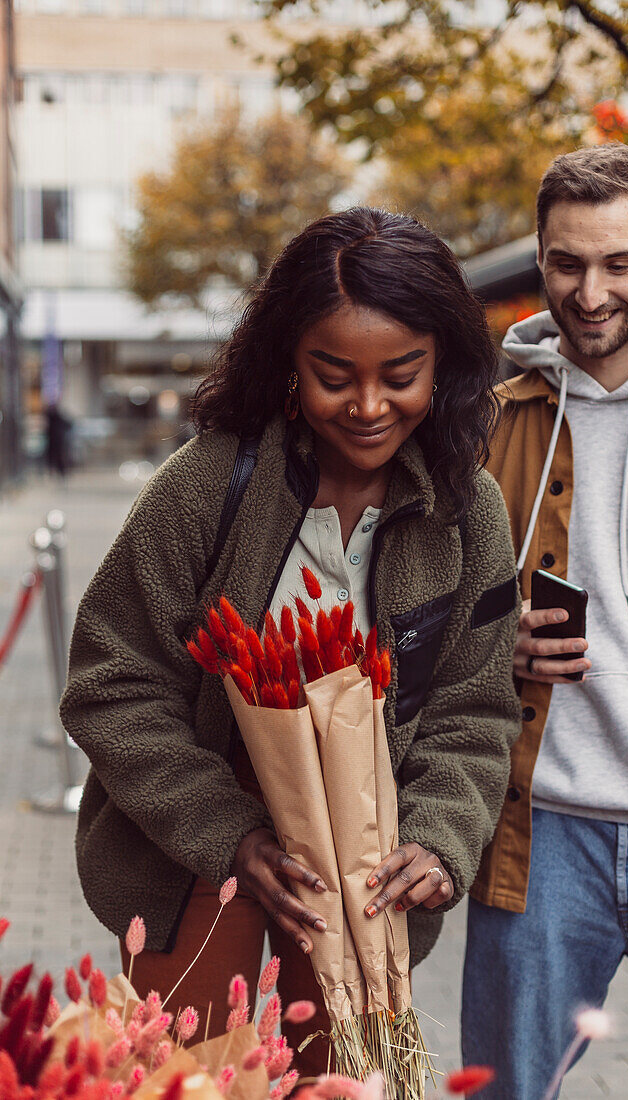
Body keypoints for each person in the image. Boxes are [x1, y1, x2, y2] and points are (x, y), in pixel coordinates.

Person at [60, 206, 521, 1071]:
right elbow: (110, 683)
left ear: (445, 365)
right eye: (334, 375)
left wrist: (440, 836)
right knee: (181, 1074)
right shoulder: (206, 486)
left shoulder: (471, 513)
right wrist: (227, 830)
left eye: (402, 375)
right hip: (190, 834)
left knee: (350, 1072)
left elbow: (475, 705)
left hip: (366, 846)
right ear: (287, 362)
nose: (370, 405)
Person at [461, 141, 628, 1099]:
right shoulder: (483, 433)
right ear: (540, 259)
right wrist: (496, 643)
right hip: (536, 845)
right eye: (566, 262)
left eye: (618, 263)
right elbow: (415, 626)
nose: (588, 291)